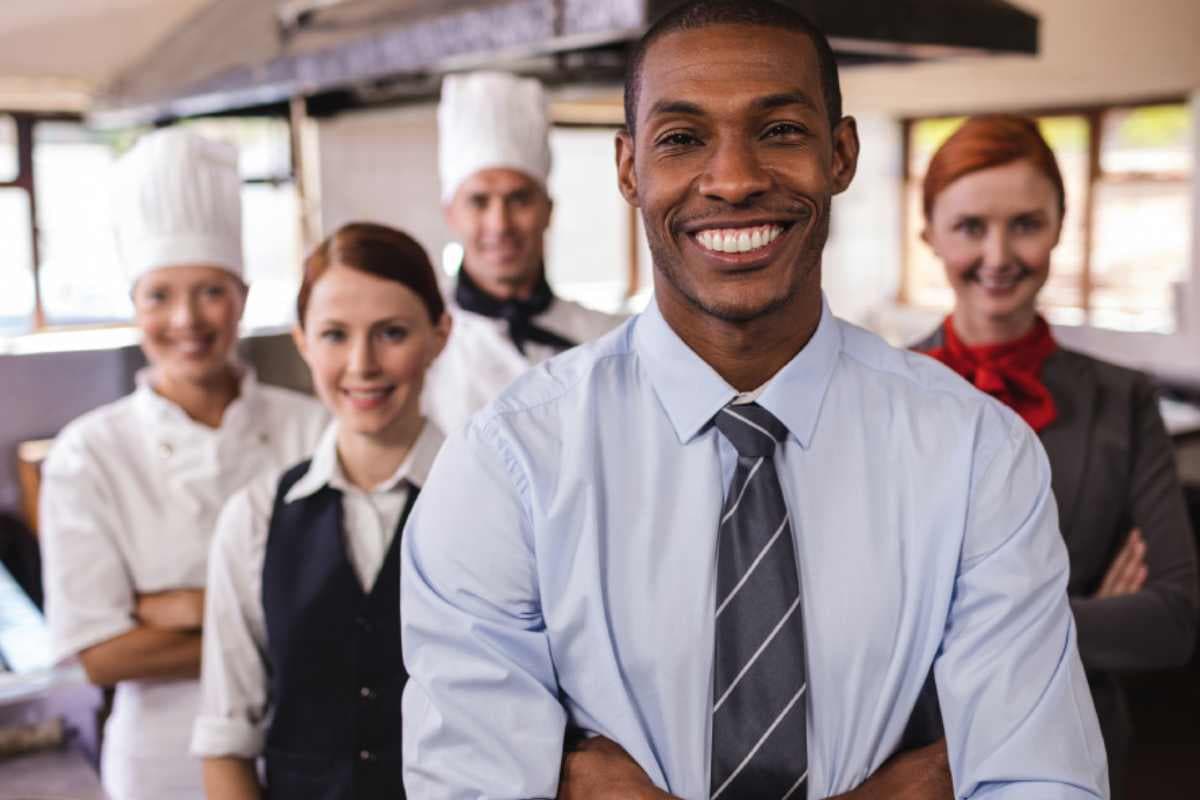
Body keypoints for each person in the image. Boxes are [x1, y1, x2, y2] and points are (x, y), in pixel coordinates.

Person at [400, 1, 1108, 798]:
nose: (734, 180)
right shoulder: (507, 467)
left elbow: (1042, 783)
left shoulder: (977, 452)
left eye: (780, 131)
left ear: (841, 154)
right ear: (629, 170)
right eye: (682, 138)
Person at [911, 114, 1199, 798]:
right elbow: (849, 618)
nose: (999, 254)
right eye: (971, 227)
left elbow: (1173, 622)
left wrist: (943, 616)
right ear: (929, 235)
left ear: (1060, 226)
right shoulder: (875, 394)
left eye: (1026, 223)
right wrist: (1079, 615)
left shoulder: (1124, 402)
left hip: (1080, 751)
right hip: (908, 753)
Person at [38, 128, 327, 800]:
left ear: (244, 296)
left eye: (210, 291)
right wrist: (278, 621)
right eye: (159, 295)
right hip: (159, 762)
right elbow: (100, 654)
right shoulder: (88, 454)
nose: (187, 319)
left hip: (309, 747)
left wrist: (181, 609)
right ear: (133, 305)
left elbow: (357, 604)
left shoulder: (312, 427)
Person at [191, 223, 450, 798]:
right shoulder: (254, 517)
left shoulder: (493, 506)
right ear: (303, 342)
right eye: (335, 335)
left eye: (392, 333)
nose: (362, 364)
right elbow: (227, 743)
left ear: (440, 334)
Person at [423, 70, 624, 434]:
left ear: (549, 210)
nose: (500, 224)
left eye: (519, 199)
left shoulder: (610, 339)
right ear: (450, 213)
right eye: (479, 201)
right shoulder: (426, 352)